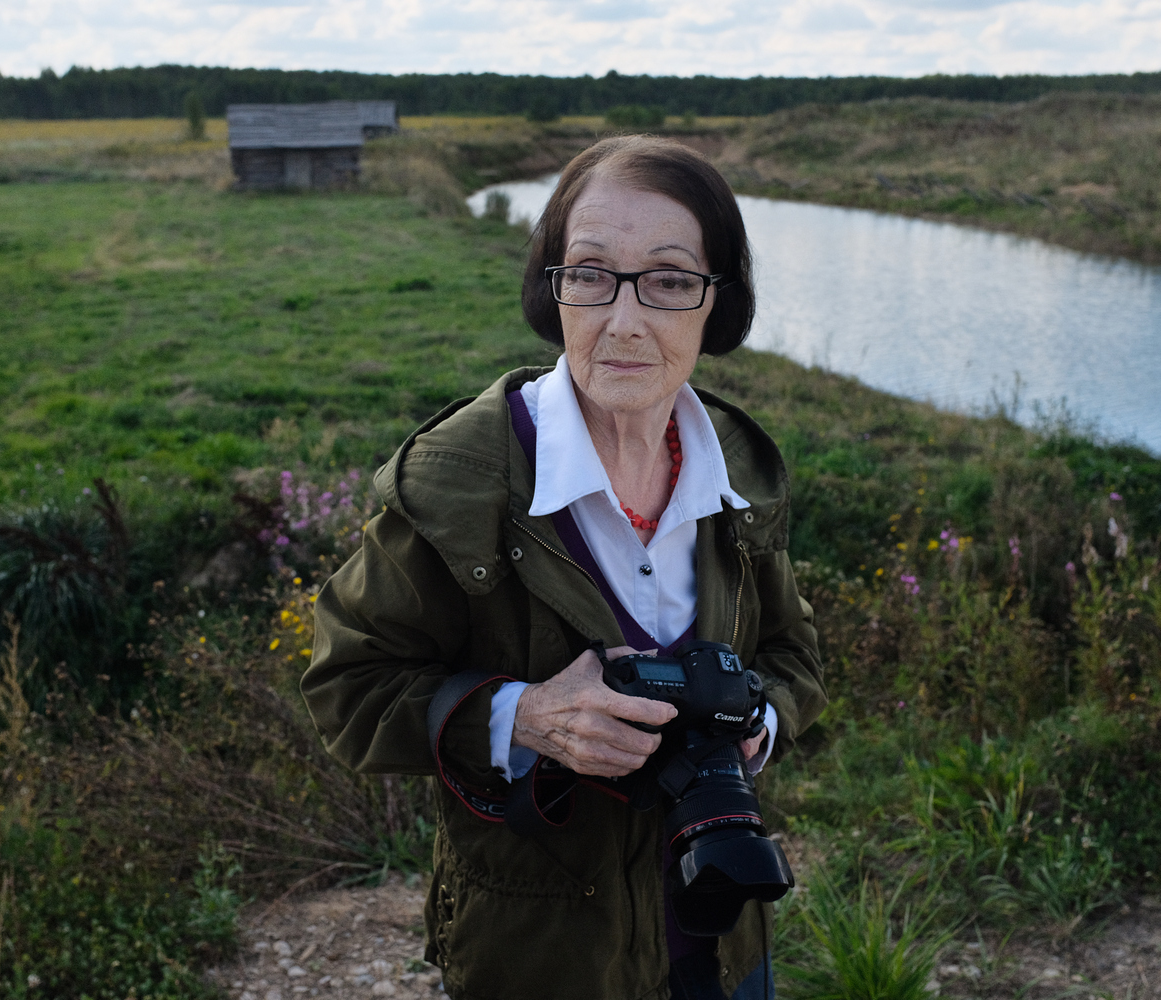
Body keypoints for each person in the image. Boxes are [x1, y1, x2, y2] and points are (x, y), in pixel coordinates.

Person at [303, 135, 825, 1000]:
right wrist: (527, 717)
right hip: (540, 957)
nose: (624, 321)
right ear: (553, 289)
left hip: (724, 936)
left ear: (717, 304)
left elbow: (795, 658)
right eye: (590, 273)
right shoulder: (454, 484)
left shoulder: (734, 472)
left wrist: (751, 722)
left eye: (668, 280)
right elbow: (346, 688)